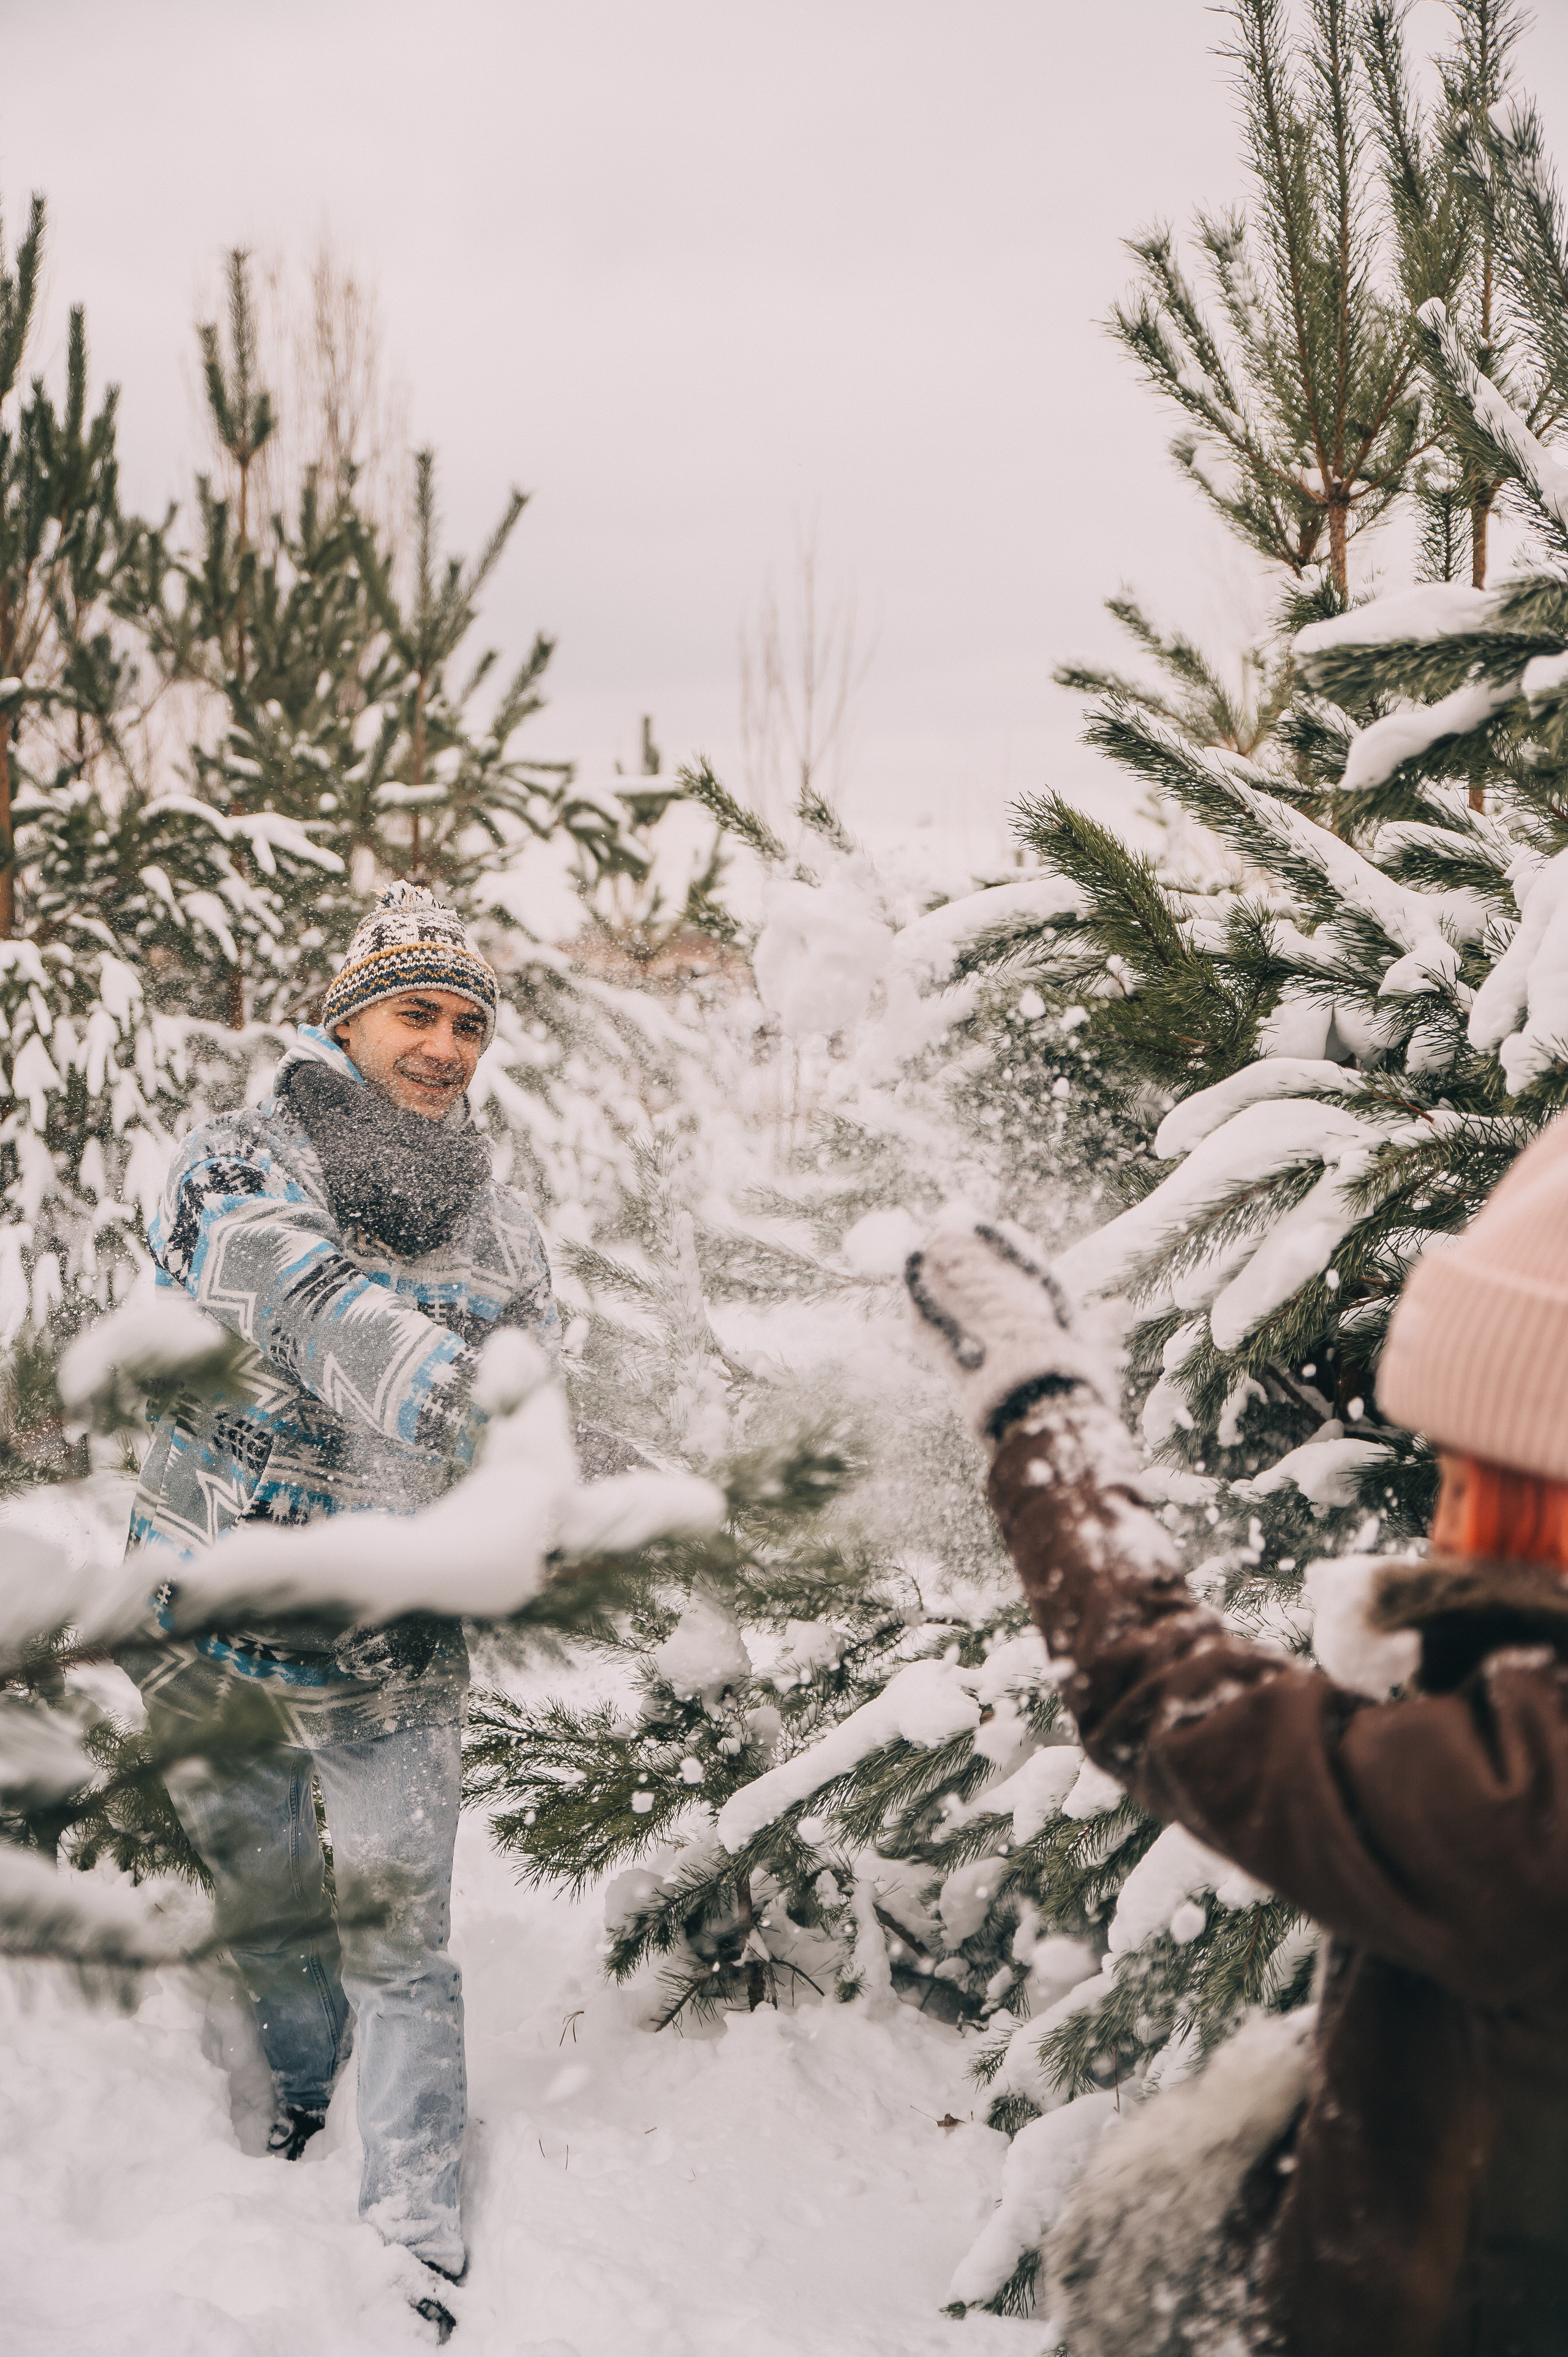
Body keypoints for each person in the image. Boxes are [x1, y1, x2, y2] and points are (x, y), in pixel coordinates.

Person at [906, 1154, 1568, 2357]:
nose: (1444, 1514)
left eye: (1473, 1472)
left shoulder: (1532, 1790)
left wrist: (1043, 1415)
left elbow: (1163, 1695)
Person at [120, 882, 556, 2326]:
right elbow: (304, 1302)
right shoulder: (236, 1162)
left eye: (469, 1025)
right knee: (264, 1893)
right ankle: (303, 2089)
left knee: (403, 1943)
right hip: (211, 1609)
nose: (446, 1046)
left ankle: (413, 2234)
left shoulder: (501, 1230)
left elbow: (535, 1377)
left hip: (388, 1641)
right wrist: (479, 1408)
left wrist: (554, 1467)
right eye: (417, 1011)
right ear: (349, 1017)